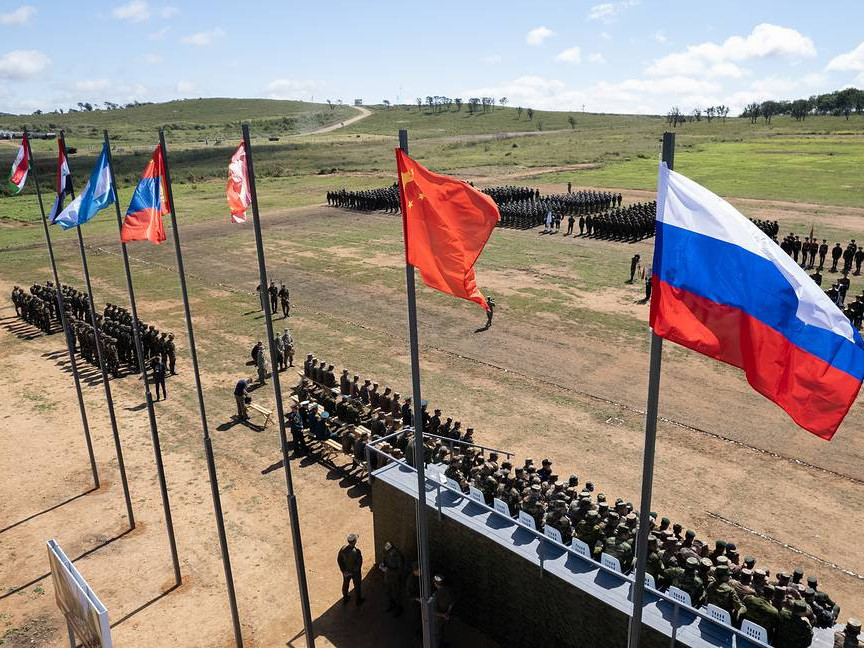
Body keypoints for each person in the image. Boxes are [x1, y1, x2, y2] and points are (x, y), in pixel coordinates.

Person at [337, 534, 364, 605]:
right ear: (354, 542)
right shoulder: (357, 551)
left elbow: (339, 560)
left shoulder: (343, 549)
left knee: (345, 584)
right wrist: (354, 571)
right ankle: (358, 600)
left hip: (346, 571)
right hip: (355, 573)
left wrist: (344, 571)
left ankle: (345, 598)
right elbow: (359, 563)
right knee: (357, 586)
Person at [380, 541, 405, 615]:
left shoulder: (398, 556)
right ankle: (391, 604)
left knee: (396, 593)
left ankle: (399, 608)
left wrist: (388, 570)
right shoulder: (386, 553)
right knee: (388, 591)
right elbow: (385, 561)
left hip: (395, 578)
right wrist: (382, 565)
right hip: (387, 577)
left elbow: (400, 569)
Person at [432, 574, 454, 647]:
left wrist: (443, 615)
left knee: (438, 633)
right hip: (447, 617)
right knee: (444, 631)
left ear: (435, 584)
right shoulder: (449, 591)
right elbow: (452, 603)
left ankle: (439, 645)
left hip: (439, 619)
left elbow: (433, 611)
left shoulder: (436, 595)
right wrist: (447, 613)